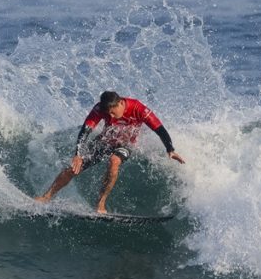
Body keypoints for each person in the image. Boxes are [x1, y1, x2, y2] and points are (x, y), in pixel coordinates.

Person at [34, 91, 185, 213]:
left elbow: (159, 129)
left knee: (114, 161)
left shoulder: (138, 108)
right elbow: (86, 130)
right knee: (73, 168)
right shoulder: (100, 108)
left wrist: (170, 149)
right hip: (105, 141)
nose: (111, 117)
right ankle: (46, 196)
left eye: (113, 113)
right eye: (108, 114)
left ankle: (101, 203)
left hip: (125, 144)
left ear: (120, 103)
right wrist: (78, 154)